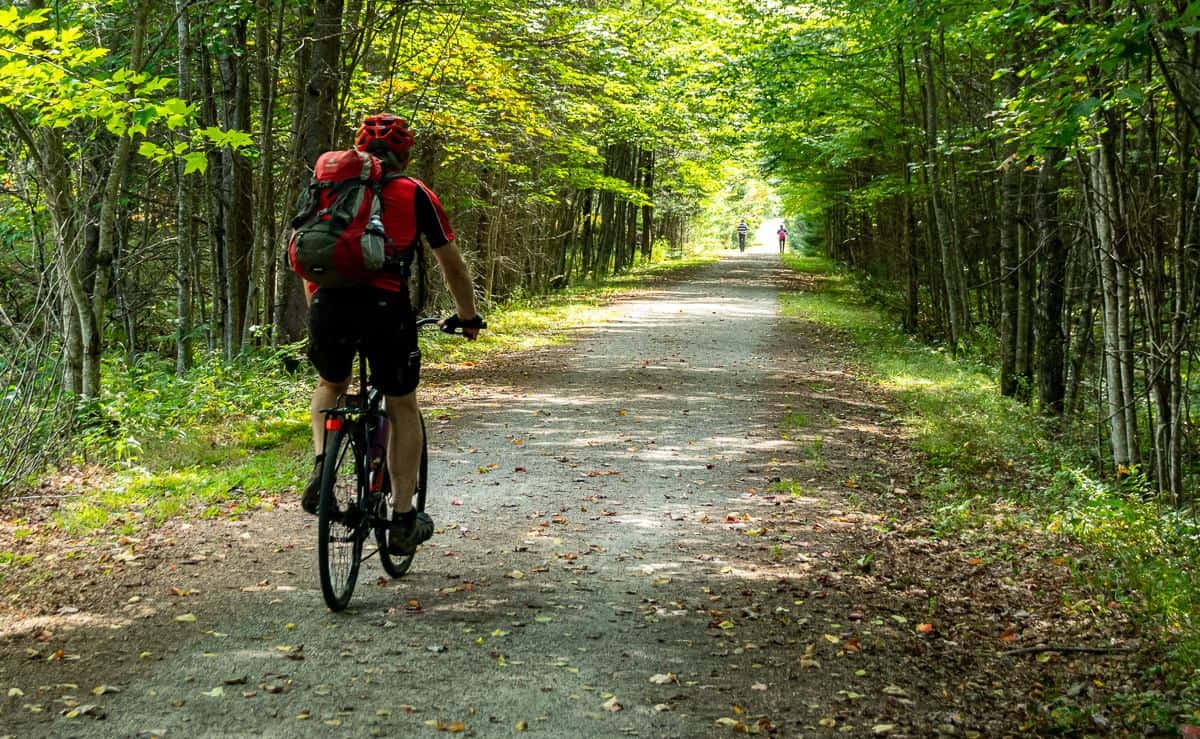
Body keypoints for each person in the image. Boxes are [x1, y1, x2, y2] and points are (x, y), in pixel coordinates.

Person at [301, 113, 482, 556]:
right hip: (385, 310)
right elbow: (451, 264)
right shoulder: (414, 193)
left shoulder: (330, 190)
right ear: (406, 154)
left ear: (359, 149)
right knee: (402, 403)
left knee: (331, 384)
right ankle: (402, 519)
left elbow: (312, 257)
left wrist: (318, 310)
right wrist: (468, 317)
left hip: (328, 305)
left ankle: (324, 468)